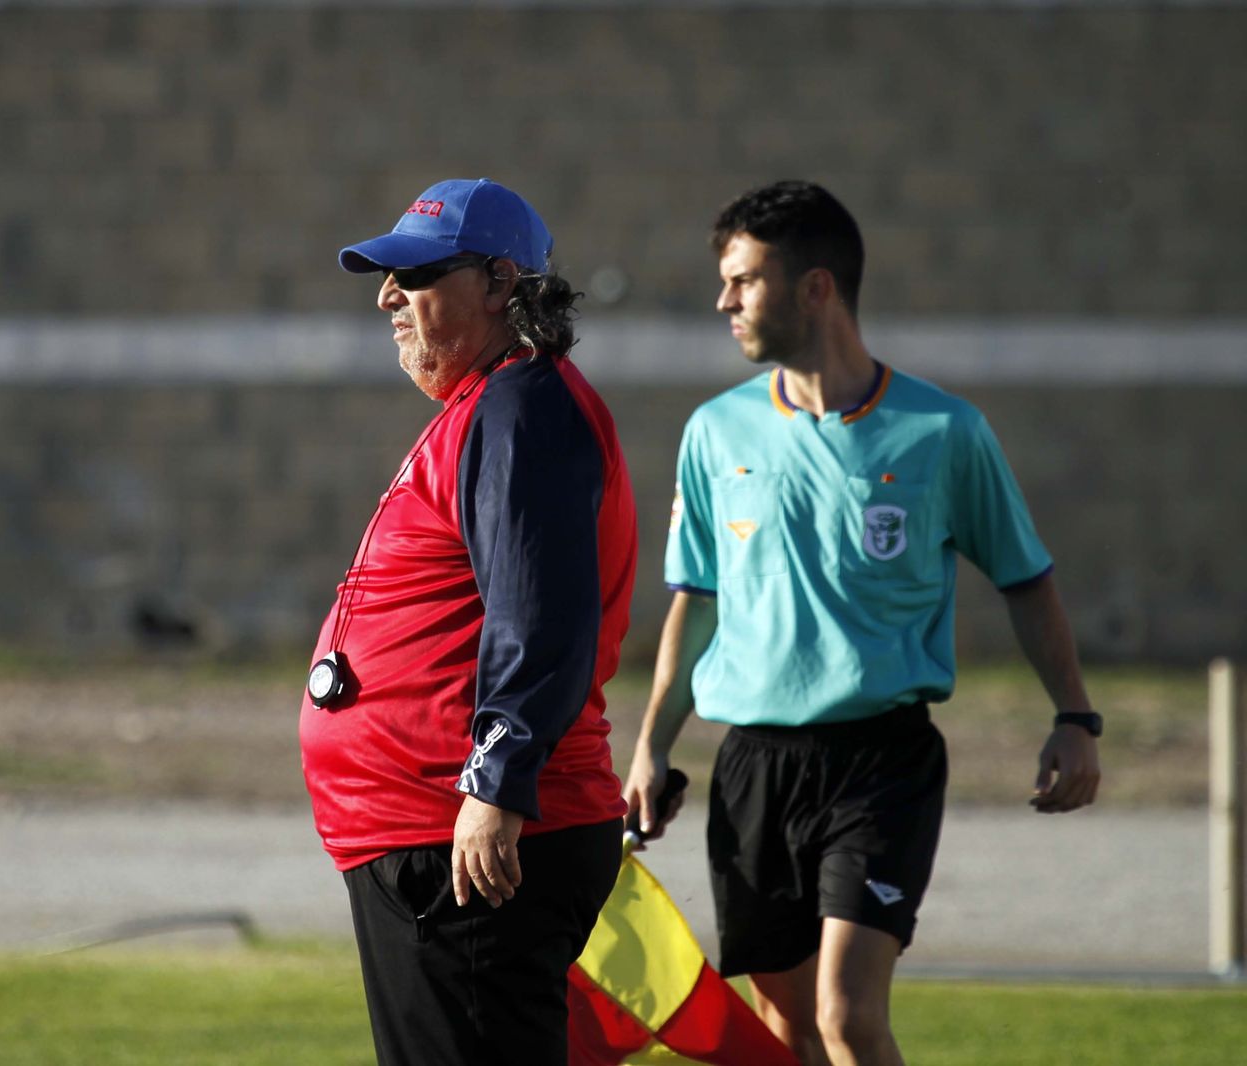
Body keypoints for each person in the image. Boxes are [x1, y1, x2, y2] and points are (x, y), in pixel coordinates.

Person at [622, 180, 1102, 1066]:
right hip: (752, 767)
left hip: (881, 763)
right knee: (788, 1030)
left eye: (744, 280)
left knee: (848, 1017)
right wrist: (654, 742)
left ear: (816, 287)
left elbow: (1026, 580)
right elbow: (697, 599)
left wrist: (1074, 717)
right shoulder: (714, 433)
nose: (723, 301)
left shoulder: (943, 431)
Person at [299, 178, 638, 1066]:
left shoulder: (521, 406)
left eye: (413, 276)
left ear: (498, 283)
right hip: (433, 838)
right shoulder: (487, 405)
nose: (387, 298)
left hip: (469, 840)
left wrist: (495, 784)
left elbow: (542, 616)